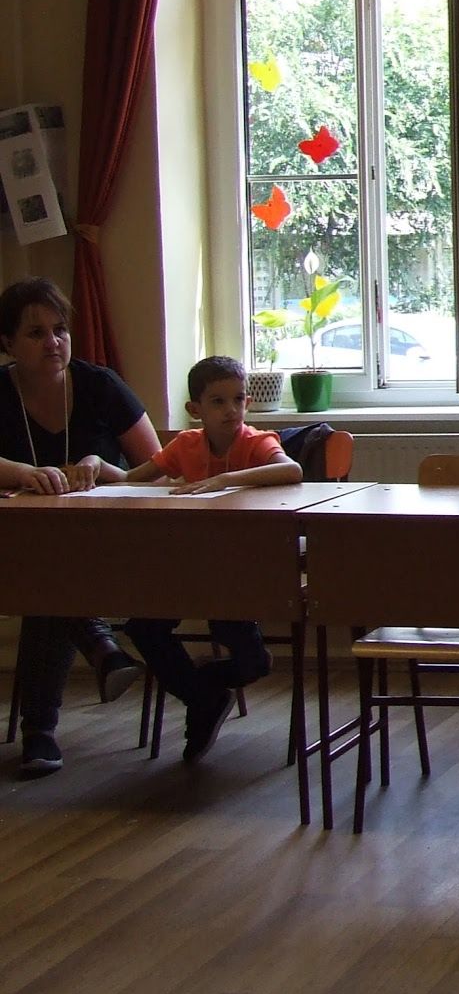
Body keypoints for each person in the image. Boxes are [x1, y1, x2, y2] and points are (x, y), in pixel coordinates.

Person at [0, 277, 161, 778]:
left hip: (106, 545)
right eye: (36, 333)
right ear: (7, 343)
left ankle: (41, 731)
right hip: (16, 550)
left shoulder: (100, 385)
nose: (53, 342)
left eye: (61, 330)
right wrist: (21, 473)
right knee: (49, 570)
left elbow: (158, 469)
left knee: (52, 577)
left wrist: (101, 465)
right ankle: (97, 645)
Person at [120, 356, 302, 761]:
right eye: (218, 401)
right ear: (195, 409)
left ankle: (204, 690)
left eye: (238, 399)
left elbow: (291, 471)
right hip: (188, 566)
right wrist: (96, 466)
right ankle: (204, 697)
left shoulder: (256, 441)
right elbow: (132, 480)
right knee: (143, 628)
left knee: (251, 662)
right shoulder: (186, 444)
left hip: (239, 572)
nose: (231, 410)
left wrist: (222, 480)